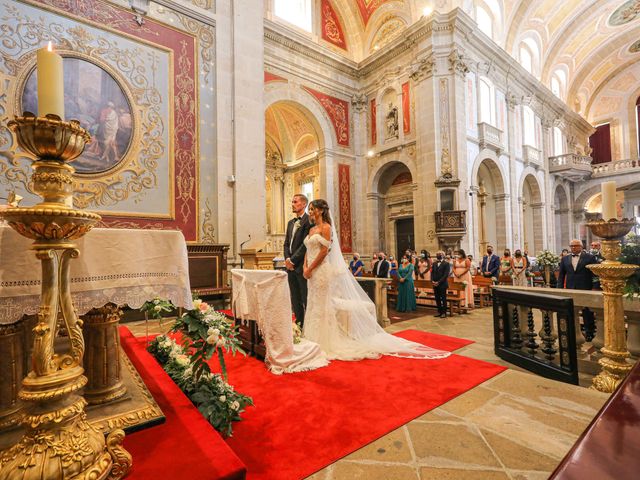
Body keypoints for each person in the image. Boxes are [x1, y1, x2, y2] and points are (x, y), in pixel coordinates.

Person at [301, 199, 449, 361]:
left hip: (320, 271)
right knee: (313, 303)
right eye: (310, 209)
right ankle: (313, 337)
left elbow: (324, 252)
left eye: (313, 209)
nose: (311, 212)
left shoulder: (326, 228)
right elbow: (308, 251)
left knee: (322, 304)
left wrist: (311, 268)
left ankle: (325, 340)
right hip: (311, 273)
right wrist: (305, 268)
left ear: (321, 211)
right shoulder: (312, 229)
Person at [558, 239, 599, 341]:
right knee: (571, 309)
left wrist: (595, 287)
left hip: (586, 287)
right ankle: (573, 330)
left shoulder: (590, 257)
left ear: (581, 246)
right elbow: (561, 275)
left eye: (576, 246)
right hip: (570, 288)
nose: (573, 248)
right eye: (571, 246)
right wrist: (559, 289)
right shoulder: (565, 259)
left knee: (587, 311)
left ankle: (589, 332)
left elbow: (595, 273)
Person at [284, 194, 312, 327]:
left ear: (304, 204)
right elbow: (286, 244)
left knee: (305, 297)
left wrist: (293, 261)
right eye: (292, 202)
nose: (292, 204)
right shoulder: (290, 223)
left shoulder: (308, 221)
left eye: (295, 202)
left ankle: (309, 326)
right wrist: (287, 259)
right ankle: (300, 325)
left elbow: (305, 244)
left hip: (301, 265)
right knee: (295, 299)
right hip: (290, 268)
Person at [431, 250, 451, 318]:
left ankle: (444, 313)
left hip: (442, 284)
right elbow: (432, 273)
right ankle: (439, 311)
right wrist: (432, 281)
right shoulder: (434, 263)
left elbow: (445, 275)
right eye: (437, 254)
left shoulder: (446, 263)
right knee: (437, 298)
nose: (438, 255)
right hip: (435, 283)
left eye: (439, 254)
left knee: (443, 298)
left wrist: (438, 282)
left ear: (443, 255)